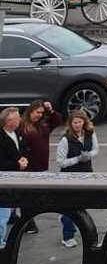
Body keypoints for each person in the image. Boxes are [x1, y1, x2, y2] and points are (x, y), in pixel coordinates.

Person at [18, 100, 63, 237]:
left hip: (41, 165)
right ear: (30, 111)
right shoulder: (22, 126)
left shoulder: (43, 125)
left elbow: (57, 120)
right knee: (27, 196)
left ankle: (21, 219)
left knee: (33, 196)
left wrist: (50, 110)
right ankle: (28, 223)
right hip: (28, 167)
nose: (39, 115)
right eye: (37, 112)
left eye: (42, 113)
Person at [55, 108, 98, 248]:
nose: (78, 125)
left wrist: (88, 155)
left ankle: (64, 217)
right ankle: (68, 236)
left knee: (82, 203)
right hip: (69, 176)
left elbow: (96, 149)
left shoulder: (90, 133)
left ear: (84, 122)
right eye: (75, 122)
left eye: (80, 122)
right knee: (71, 206)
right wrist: (78, 159)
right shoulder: (65, 140)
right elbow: (60, 162)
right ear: (70, 123)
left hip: (86, 174)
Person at [0, 107, 28, 249]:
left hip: (15, 177)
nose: (20, 120)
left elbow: (20, 150)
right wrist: (18, 164)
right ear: (8, 121)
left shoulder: (16, 132)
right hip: (4, 181)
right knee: (2, 213)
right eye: (17, 118)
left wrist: (22, 158)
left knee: (8, 210)